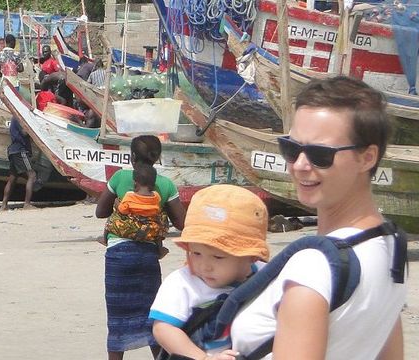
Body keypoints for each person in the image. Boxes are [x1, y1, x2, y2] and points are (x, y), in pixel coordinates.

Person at [227, 76, 406, 358]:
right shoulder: (391, 245)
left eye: (320, 154)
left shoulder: (314, 267)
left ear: (367, 158)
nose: (300, 165)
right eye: (291, 148)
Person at [149, 185, 269, 360]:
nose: (205, 266)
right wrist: (204, 358)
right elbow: (163, 329)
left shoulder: (266, 276)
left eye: (218, 257)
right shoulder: (182, 283)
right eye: (196, 253)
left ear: (251, 256)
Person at [94, 135, 187, 360]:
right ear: (157, 157)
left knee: (117, 318)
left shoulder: (119, 177)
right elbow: (181, 223)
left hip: (117, 256)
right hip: (147, 256)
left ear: (132, 156)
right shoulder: (165, 184)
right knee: (151, 315)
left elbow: (100, 212)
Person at [0, 120, 36, 210]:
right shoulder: (19, 118)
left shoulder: (15, 118)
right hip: (20, 150)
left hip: (13, 151)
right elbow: (24, 132)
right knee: (32, 175)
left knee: (12, 178)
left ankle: (4, 205)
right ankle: (27, 204)